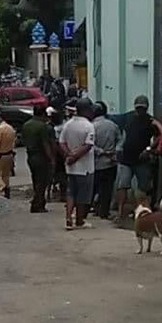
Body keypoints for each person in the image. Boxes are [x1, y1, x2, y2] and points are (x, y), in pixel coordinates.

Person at [115, 95, 162, 222]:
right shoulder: (129, 118)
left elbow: (161, 135)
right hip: (126, 158)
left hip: (142, 160)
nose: (140, 110)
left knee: (143, 187)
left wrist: (148, 149)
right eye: (138, 108)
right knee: (123, 186)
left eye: (142, 108)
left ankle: (143, 213)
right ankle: (120, 213)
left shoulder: (150, 121)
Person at [59, 97, 95, 230]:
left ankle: (68, 218)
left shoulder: (68, 124)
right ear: (86, 110)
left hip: (70, 167)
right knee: (82, 196)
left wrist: (68, 155)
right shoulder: (88, 126)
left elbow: (61, 142)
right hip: (85, 167)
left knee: (71, 193)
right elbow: (88, 145)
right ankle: (79, 220)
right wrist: (75, 156)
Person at [23, 105, 55, 213]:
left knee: (35, 180)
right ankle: (37, 204)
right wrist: (51, 159)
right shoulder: (42, 126)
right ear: (43, 114)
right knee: (42, 182)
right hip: (41, 157)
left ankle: (38, 202)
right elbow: (46, 144)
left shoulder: (26, 125)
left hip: (30, 156)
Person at [92, 101, 120, 219]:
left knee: (94, 187)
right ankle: (104, 211)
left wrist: (101, 152)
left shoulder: (92, 126)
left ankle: (92, 208)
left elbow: (89, 145)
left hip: (96, 163)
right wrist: (114, 152)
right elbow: (120, 140)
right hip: (111, 162)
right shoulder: (113, 125)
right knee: (107, 189)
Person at [47, 106, 68, 202]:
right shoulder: (64, 127)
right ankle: (62, 194)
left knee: (53, 175)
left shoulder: (50, 128)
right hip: (61, 154)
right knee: (62, 175)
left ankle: (52, 193)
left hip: (53, 155)